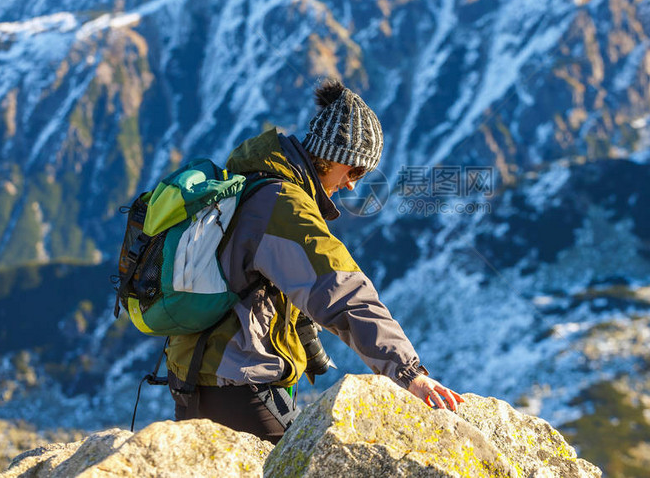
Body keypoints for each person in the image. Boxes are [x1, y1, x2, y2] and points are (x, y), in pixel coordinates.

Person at [165, 78, 463, 443]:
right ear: (331, 155)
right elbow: (339, 289)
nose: (354, 184)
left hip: (199, 377)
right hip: (237, 386)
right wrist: (407, 371)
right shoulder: (283, 205)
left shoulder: (255, 181)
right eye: (355, 170)